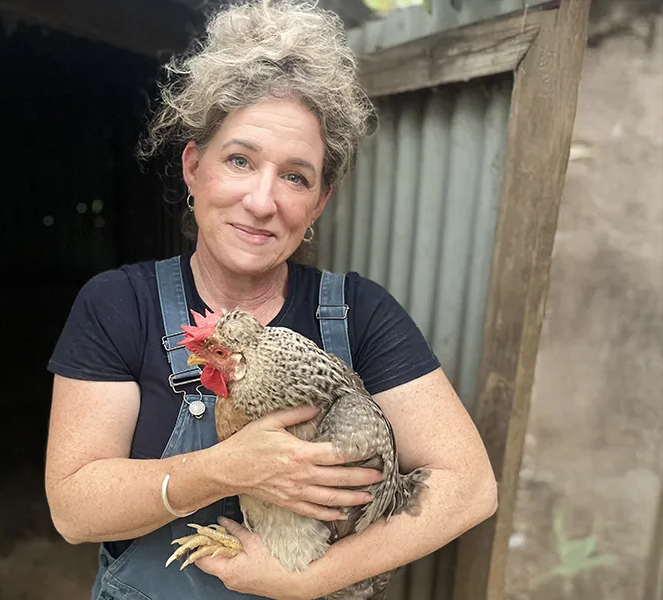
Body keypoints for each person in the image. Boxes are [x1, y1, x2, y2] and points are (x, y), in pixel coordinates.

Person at [44, 1, 498, 599]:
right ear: (194, 167)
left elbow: (470, 487)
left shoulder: (359, 314)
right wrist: (225, 468)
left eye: (295, 176)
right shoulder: (117, 306)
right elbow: (74, 512)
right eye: (240, 160)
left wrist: (306, 580)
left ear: (319, 202)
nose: (262, 201)